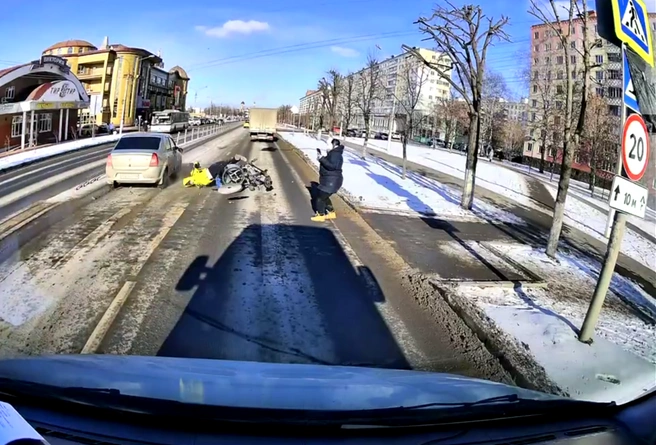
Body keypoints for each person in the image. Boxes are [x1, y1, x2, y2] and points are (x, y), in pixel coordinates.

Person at [311, 138, 343, 222]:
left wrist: (322, 159)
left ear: (334, 145)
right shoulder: (333, 153)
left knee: (320, 197)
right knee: (324, 196)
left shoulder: (336, 154)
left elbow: (332, 166)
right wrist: (321, 158)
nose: (327, 146)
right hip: (329, 180)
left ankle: (320, 215)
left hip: (332, 181)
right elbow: (329, 163)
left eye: (329, 144)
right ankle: (331, 213)